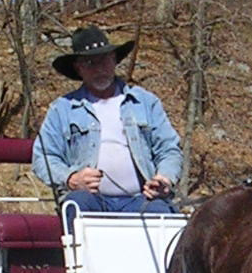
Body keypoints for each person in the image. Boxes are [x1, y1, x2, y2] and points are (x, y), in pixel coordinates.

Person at [32, 26, 183, 216]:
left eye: (104, 60)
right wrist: (71, 178)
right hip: (91, 200)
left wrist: (164, 179)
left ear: (114, 61)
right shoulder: (62, 109)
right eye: (90, 63)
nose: (99, 68)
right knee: (76, 204)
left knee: (162, 212)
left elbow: (169, 148)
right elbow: (43, 156)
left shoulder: (145, 102)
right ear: (78, 68)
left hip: (142, 199)